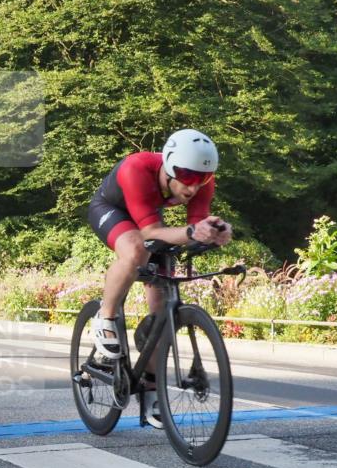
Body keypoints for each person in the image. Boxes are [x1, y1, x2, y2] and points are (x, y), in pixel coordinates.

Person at [88, 128, 233, 425]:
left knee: (160, 313)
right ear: (168, 164)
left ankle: (152, 391)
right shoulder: (137, 168)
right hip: (112, 210)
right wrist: (193, 232)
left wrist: (215, 232)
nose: (192, 187)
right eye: (185, 175)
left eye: (201, 179)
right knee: (135, 250)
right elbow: (150, 233)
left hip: (148, 218)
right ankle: (105, 317)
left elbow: (194, 227)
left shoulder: (203, 182)